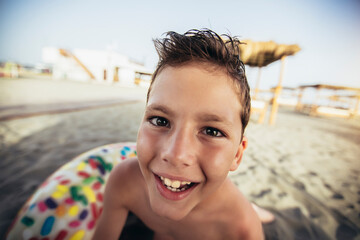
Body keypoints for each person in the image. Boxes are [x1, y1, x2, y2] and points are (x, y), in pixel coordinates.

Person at [92, 29, 264, 240]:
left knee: (259, 215)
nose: (176, 154)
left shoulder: (242, 230)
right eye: (160, 121)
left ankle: (260, 211)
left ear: (237, 155)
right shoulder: (124, 182)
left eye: (211, 131)